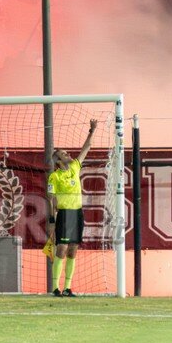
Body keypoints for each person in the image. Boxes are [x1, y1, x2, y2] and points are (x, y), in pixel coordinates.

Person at [46, 119, 98, 297]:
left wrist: (91, 131)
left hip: (77, 213)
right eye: (63, 153)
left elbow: (87, 148)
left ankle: (68, 288)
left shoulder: (75, 166)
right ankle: (55, 288)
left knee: (73, 249)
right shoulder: (54, 177)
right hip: (64, 214)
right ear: (58, 161)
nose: (68, 154)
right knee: (61, 249)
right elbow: (51, 198)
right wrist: (52, 220)